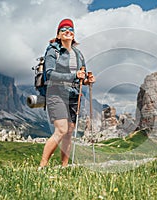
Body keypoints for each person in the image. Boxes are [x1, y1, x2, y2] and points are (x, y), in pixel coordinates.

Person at [39, 18, 95, 167]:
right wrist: (74, 76)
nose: (67, 31)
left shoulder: (78, 54)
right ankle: (41, 167)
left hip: (74, 96)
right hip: (55, 93)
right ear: (58, 35)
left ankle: (64, 167)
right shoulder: (53, 51)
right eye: (63, 30)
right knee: (61, 129)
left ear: (73, 35)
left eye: (70, 30)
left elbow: (80, 77)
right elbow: (49, 74)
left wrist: (87, 80)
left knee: (69, 132)